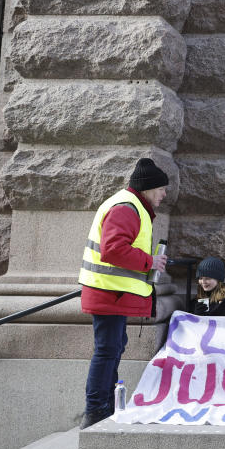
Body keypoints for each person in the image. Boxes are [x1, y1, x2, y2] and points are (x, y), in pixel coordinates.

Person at [78, 157, 169, 429]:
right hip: (109, 294)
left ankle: (104, 406)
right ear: (149, 188)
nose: (164, 194)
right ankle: (96, 411)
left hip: (111, 293)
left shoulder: (129, 205)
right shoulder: (127, 208)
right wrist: (150, 262)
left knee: (112, 349)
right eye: (162, 189)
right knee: (107, 351)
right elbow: (113, 250)